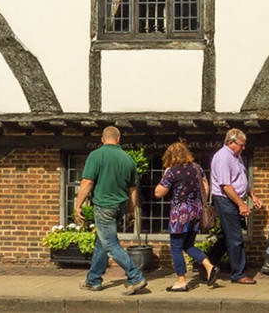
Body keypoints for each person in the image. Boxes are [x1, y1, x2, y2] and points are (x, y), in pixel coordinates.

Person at [74, 126, 147, 295]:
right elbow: (133, 190)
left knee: (110, 244)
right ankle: (93, 280)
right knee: (102, 242)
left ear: (102, 139)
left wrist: (78, 205)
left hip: (104, 206)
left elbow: (87, 183)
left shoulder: (96, 155)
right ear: (118, 139)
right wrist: (130, 210)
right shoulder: (128, 159)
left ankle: (136, 277)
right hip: (120, 206)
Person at [154, 141, 218, 292]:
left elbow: (158, 193)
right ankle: (209, 267)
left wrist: (164, 177)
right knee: (187, 245)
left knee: (176, 247)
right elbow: (206, 187)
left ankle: (181, 282)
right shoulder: (197, 168)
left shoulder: (172, 172)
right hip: (196, 212)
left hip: (180, 213)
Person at [209, 128, 262, 284]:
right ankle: (238, 274)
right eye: (242, 144)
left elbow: (240, 179)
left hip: (233, 199)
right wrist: (241, 205)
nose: (244, 147)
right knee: (235, 238)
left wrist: (252, 195)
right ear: (231, 142)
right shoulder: (223, 157)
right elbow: (226, 186)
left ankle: (206, 264)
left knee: (228, 236)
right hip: (225, 200)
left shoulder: (236, 156)